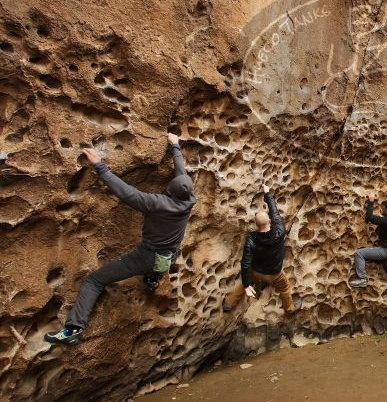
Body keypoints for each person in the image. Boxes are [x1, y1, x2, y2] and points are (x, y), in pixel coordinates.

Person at [45, 133, 196, 346]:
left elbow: (126, 193)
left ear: (170, 190)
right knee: (163, 260)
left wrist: (100, 167)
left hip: (146, 256)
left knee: (93, 280)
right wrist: (176, 147)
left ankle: (72, 330)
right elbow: (182, 176)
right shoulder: (189, 200)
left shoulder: (156, 203)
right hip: (170, 254)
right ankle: (153, 279)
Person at [223, 184, 301, 314]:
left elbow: (246, 263)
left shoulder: (252, 238)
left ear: (256, 224)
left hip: (256, 272)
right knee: (285, 288)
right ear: (270, 221)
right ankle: (289, 308)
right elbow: (275, 212)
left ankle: (228, 304)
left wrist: (247, 285)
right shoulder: (279, 231)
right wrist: (267, 193)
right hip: (275, 274)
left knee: (244, 285)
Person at [349, 176, 387, 311]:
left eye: (384, 209)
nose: (382, 210)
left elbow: (369, 217)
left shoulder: (385, 221)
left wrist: (371, 201)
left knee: (359, 253)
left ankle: (362, 278)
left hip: (385, 251)